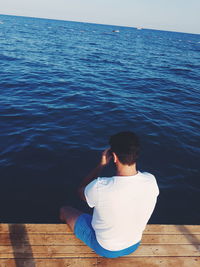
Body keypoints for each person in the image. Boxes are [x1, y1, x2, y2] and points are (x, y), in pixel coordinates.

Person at [60, 131, 159, 258]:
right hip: (134, 244)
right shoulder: (151, 180)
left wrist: (100, 166)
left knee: (65, 210)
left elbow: (80, 190)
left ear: (115, 157)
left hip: (106, 249)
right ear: (136, 155)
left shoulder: (100, 186)